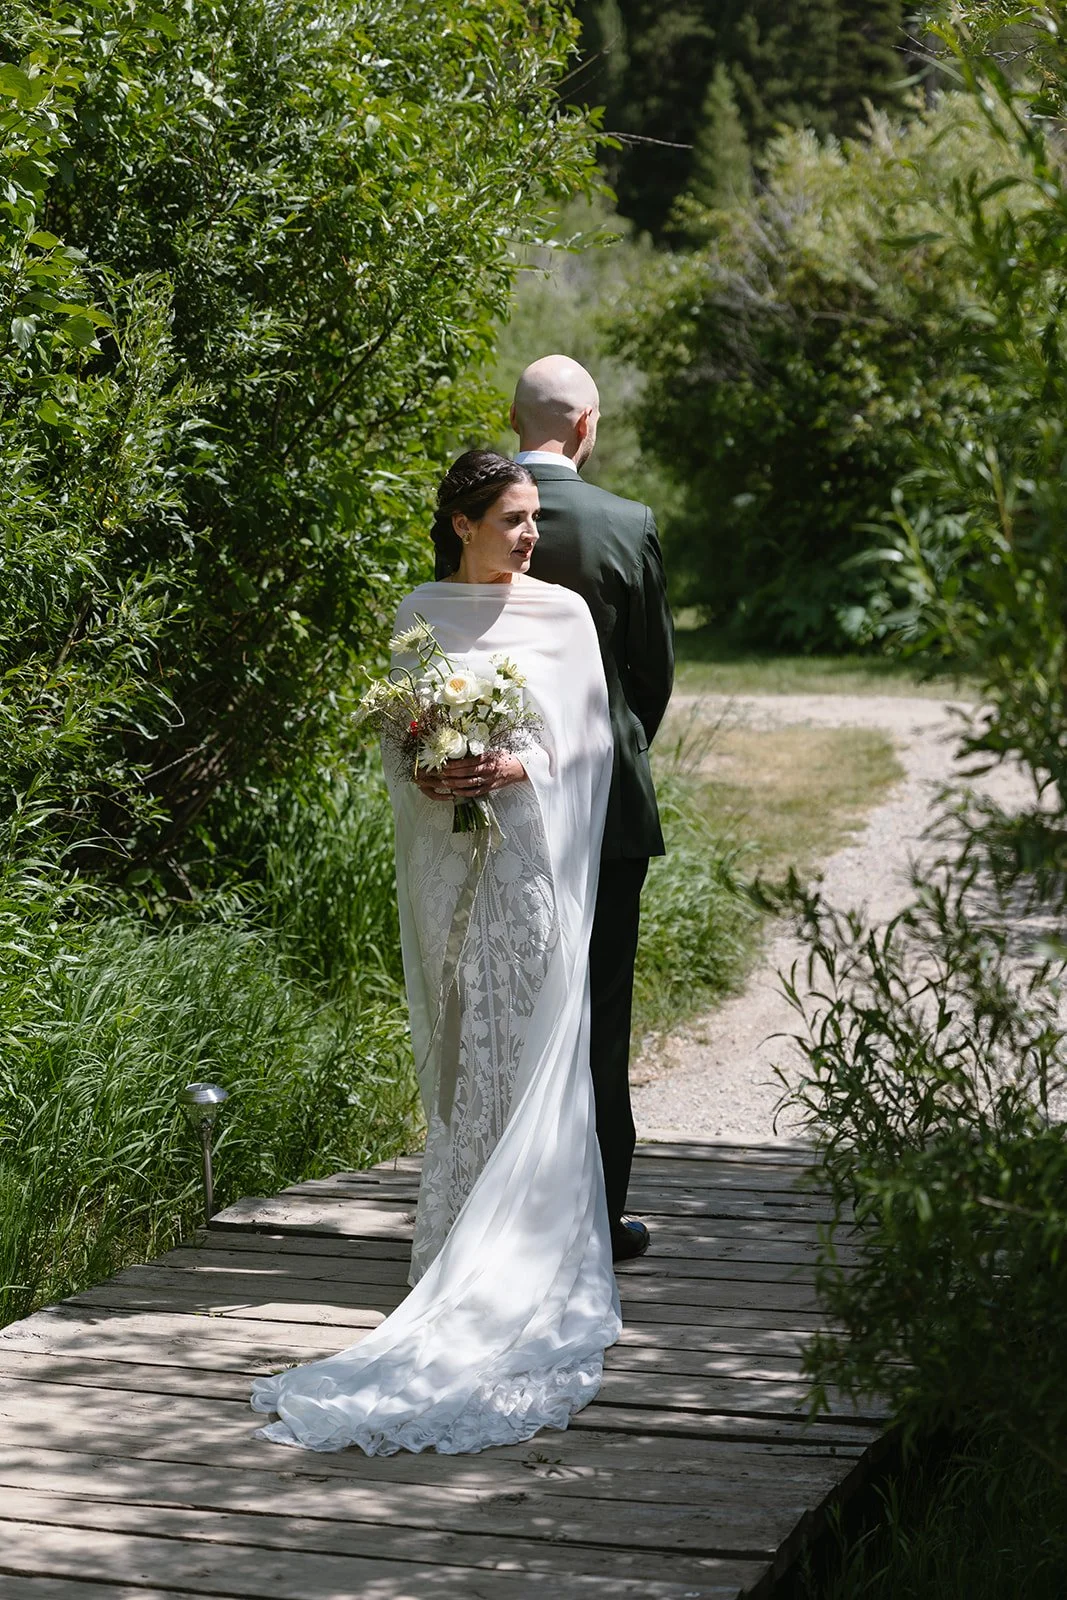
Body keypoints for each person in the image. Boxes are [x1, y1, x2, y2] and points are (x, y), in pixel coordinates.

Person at [250, 451, 621, 1455]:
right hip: (448, 871)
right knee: (464, 1046)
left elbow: (592, 747)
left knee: (533, 1041)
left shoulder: (564, 618)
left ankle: (535, 1246)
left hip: (530, 865)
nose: (529, 534)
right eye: (511, 517)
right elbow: (397, 739)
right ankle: (459, 1238)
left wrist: (519, 762)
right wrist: (426, 770)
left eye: (533, 515)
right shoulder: (418, 612)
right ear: (460, 523)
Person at [436, 356, 674, 1261]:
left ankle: (490, 1208)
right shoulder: (627, 524)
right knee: (598, 1011)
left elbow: (451, 654)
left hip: (489, 808)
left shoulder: (475, 517)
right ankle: (597, 1216)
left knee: (504, 1005)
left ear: (514, 417)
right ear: (585, 426)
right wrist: (594, 757)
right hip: (606, 809)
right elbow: (648, 683)